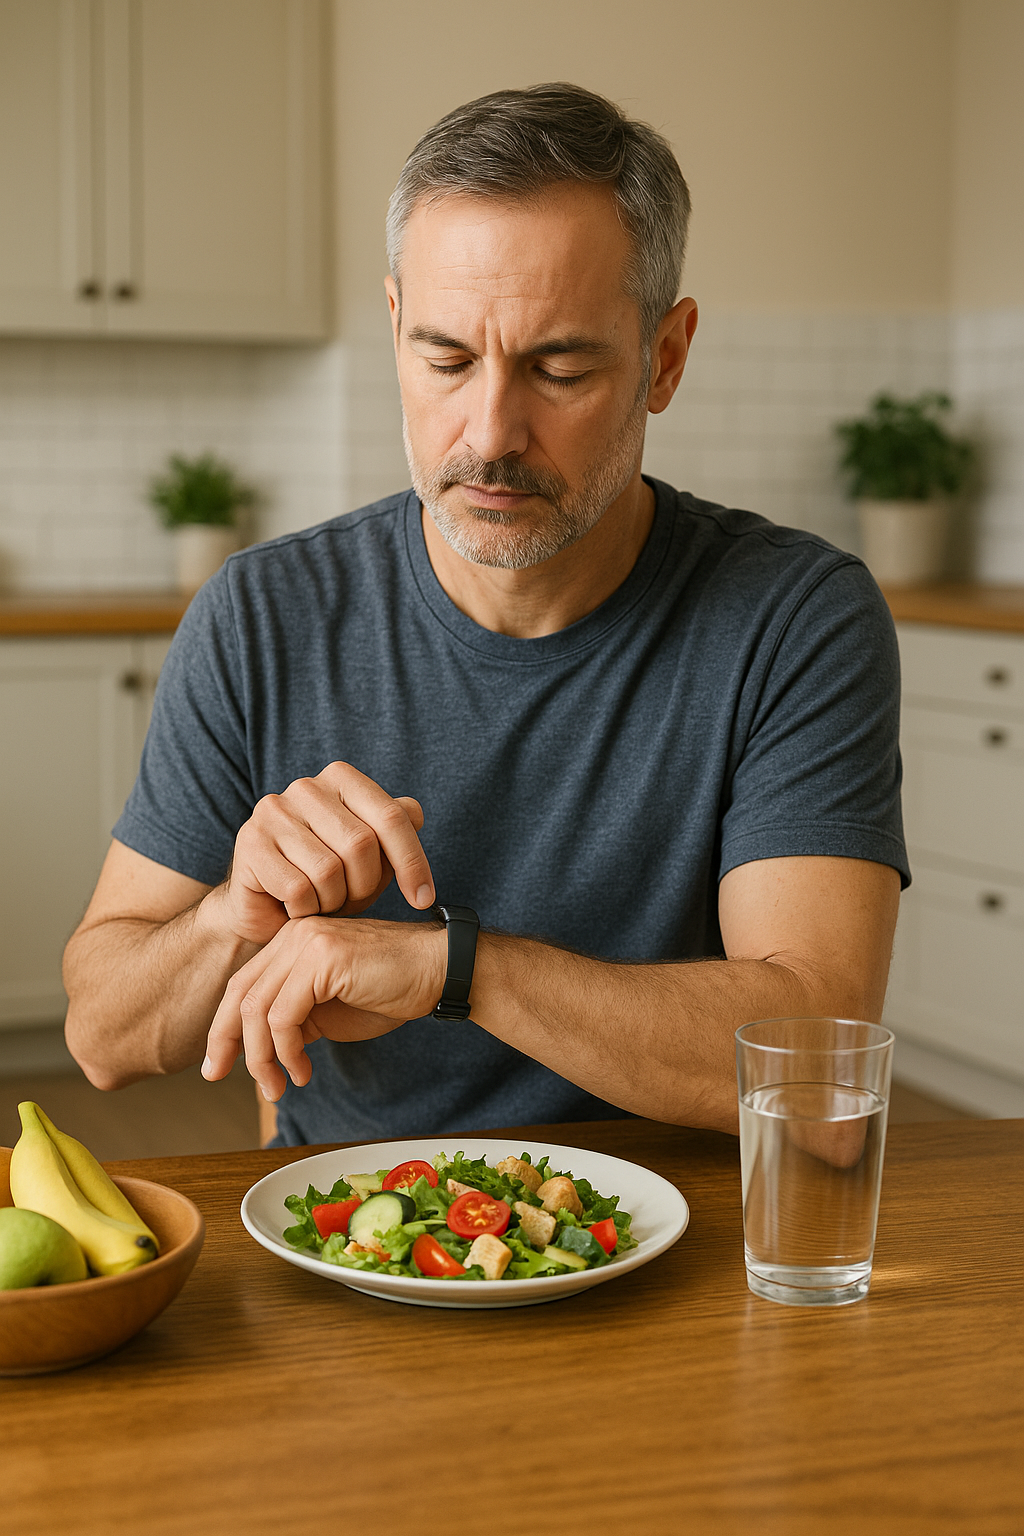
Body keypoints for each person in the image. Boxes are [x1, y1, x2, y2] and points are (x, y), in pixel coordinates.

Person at [63, 83, 907, 1146]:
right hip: (350, 1214)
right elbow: (104, 1037)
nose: (491, 431)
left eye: (560, 367)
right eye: (447, 360)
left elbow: (818, 1071)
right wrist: (235, 911)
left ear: (665, 357)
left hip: (679, 1225)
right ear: (394, 329)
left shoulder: (794, 619)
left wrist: (451, 970)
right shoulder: (262, 613)